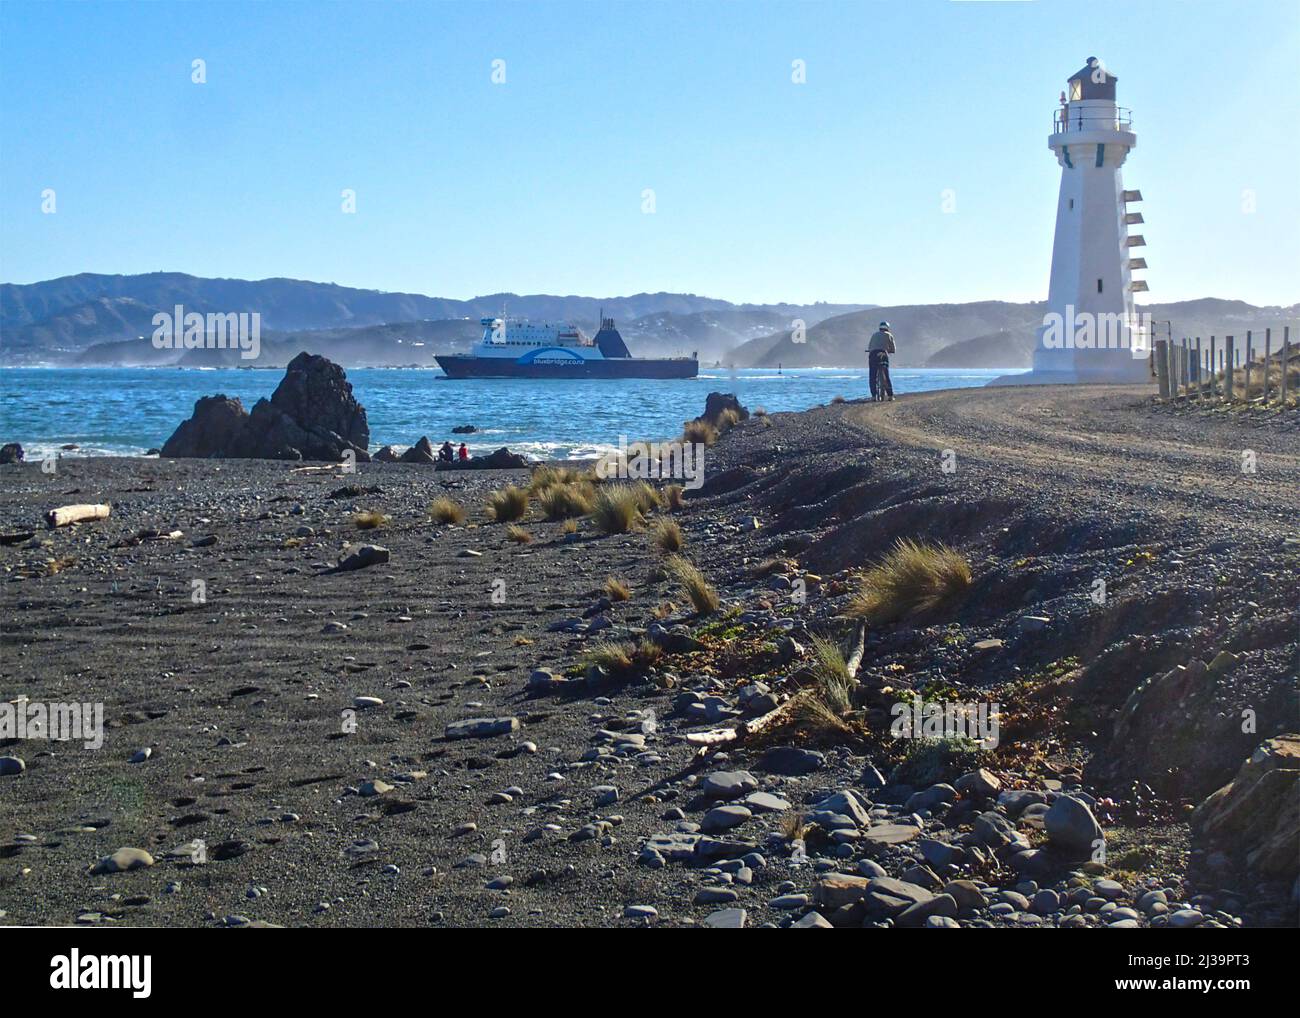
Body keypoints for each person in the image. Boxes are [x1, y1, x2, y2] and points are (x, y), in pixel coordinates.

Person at [866, 321, 897, 401]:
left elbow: (870, 347)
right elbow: (893, 348)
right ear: (887, 328)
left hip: (873, 355)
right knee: (886, 375)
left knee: (872, 376)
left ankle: (873, 396)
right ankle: (890, 396)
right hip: (883, 354)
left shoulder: (874, 335)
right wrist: (891, 351)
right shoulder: (889, 335)